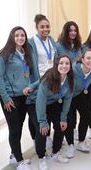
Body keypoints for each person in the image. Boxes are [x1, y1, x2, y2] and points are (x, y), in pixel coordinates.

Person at [0, 26, 34, 170]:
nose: (20, 38)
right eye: (17, 35)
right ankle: (20, 160)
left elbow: (27, 74)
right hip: (11, 98)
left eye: (22, 35)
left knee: (19, 126)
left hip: (24, 96)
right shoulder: (4, 54)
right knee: (15, 128)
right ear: (12, 37)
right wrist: (5, 98)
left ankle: (13, 155)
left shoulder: (25, 53)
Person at [35, 55, 74, 169]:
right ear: (56, 65)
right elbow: (40, 101)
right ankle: (41, 157)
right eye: (61, 63)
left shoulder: (70, 80)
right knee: (42, 130)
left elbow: (67, 101)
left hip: (53, 103)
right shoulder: (49, 79)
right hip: (39, 104)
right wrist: (42, 121)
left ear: (70, 66)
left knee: (61, 126)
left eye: (67, 63)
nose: (64, 66)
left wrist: (63, 118)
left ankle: (55, 153)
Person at [28, 14, 58, 149]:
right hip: (38, 79)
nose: (45, 29)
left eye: (47, 26)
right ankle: (36, 138)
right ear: (36, 28)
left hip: (51, 79)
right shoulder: (31, 42)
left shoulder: (51, 40)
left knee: (48, 108)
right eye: (42, 27)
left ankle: (46, 136)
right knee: (36, 110)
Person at [64, 49, 91, 158]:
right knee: (69, 119)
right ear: (82, 59)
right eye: (88, 58)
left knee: (86, 115)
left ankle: (81, 142)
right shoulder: (73, 69)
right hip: (67, 96)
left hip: (79, 94)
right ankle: (70, 145)